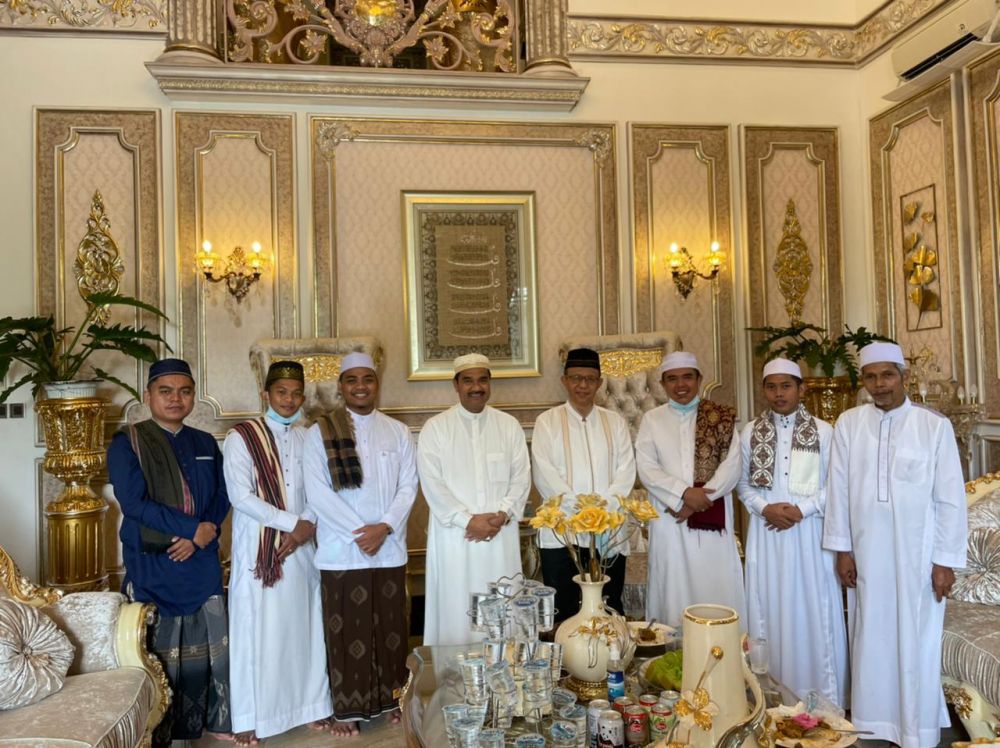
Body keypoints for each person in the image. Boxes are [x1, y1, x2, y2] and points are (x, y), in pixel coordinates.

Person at [823, 342, 967, 748]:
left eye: (887, 375)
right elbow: (838, 491)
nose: (879, 384)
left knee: (915, 639)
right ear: (863, 381)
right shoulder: (849, 424)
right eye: (871, 377)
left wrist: (944, 561)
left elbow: (950, 498)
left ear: (903, 376)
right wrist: (843, 550)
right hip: (866, 554)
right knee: (870, 637)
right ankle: (873, 724)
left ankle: (916, 730)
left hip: (917, 558)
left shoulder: (933, 426)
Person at [107, 358, 232, 746]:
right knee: (159, 649)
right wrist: (190, 529)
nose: (176, 399)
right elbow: (134, 503)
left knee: (210, 647)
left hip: (200, 558)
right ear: (148, 396)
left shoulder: (205, 442)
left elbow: (223, 493)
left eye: (185, 391)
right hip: (154, 561)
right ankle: (159, 729)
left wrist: (201, 535)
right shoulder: (128, 442)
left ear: (194, 396)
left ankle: (210, 721)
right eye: (166, 391)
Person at [303, 352, 418, 736]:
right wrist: (361, 532)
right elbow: (318, 493)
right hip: (341, 550)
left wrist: (383, 527)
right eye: (351, 380)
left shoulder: (397, 432)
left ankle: (392, 698)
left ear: (376, 383)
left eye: (367, 379)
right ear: (341, 386)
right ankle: (346, 708)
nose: (360, 386)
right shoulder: (319, 432)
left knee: (391, 629)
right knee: (345, 632)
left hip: (387, 547)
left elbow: (408, 487)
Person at [223, 360, 333, 746]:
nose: (288, 400)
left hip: (302, 546)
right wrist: (292, 524)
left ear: (303, 397)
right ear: (265, 394)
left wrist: (307, 524)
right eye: (281, 392)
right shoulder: (241, 437)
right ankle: (250, 715)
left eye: (295, 393)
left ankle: (309, 705)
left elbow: (321, 490)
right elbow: (240, 496)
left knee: (303, 626)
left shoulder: (309, 437)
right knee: (256, 629)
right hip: (259, 548)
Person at [737, 358, 847, 707]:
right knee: (767, 607)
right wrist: (764, 508)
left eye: (786, 386)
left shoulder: (825, 432)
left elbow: (836, 484)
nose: (779, 393)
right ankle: (771, 700)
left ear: (801, 389)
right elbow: (741, 484)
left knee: (814, 610)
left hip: (810, 535)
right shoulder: (749, 432)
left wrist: (803, 509)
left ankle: (821, 703)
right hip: (767, 534)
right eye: (772, 387)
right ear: (764, 390)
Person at [418, 353, 531, 645]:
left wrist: (502, 514)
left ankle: (506, 667)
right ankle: (454, 668)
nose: (476, 387)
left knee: (503, 603)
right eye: (468, 380)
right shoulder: (436, 428)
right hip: (454, 537)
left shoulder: (509, 425)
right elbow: (432, 483)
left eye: (482, 380)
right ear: (456, 385)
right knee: (456, 606)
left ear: (490, 384)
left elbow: (521, 477)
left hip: (499, 534)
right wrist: (467, 520)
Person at [635, 351, 745, 627]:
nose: (680, 385)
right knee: (673, 587)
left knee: (715, 582)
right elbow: (647, 468)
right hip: (669, 517)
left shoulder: (720, 418)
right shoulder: (652, 420)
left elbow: (733, 466)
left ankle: (721, 644)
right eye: (672, 379)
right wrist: (683, 494)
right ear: (662, 383)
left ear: (699, 379)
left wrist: (700, 499)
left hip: (712, 516)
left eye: (687, 377)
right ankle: (673, 646)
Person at [531, 347, 636, 619]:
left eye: (590, 379)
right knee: (565, 611)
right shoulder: (547, 422)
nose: (583, 385)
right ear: (564, 381)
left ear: (599, 383)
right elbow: (545, 474)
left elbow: (626, 471)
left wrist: (602, 513)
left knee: (608, 607)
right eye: (576, 378)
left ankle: (610, 649)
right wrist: (582, 513)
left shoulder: (615, 422)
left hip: (609, 530)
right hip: (563, 532)